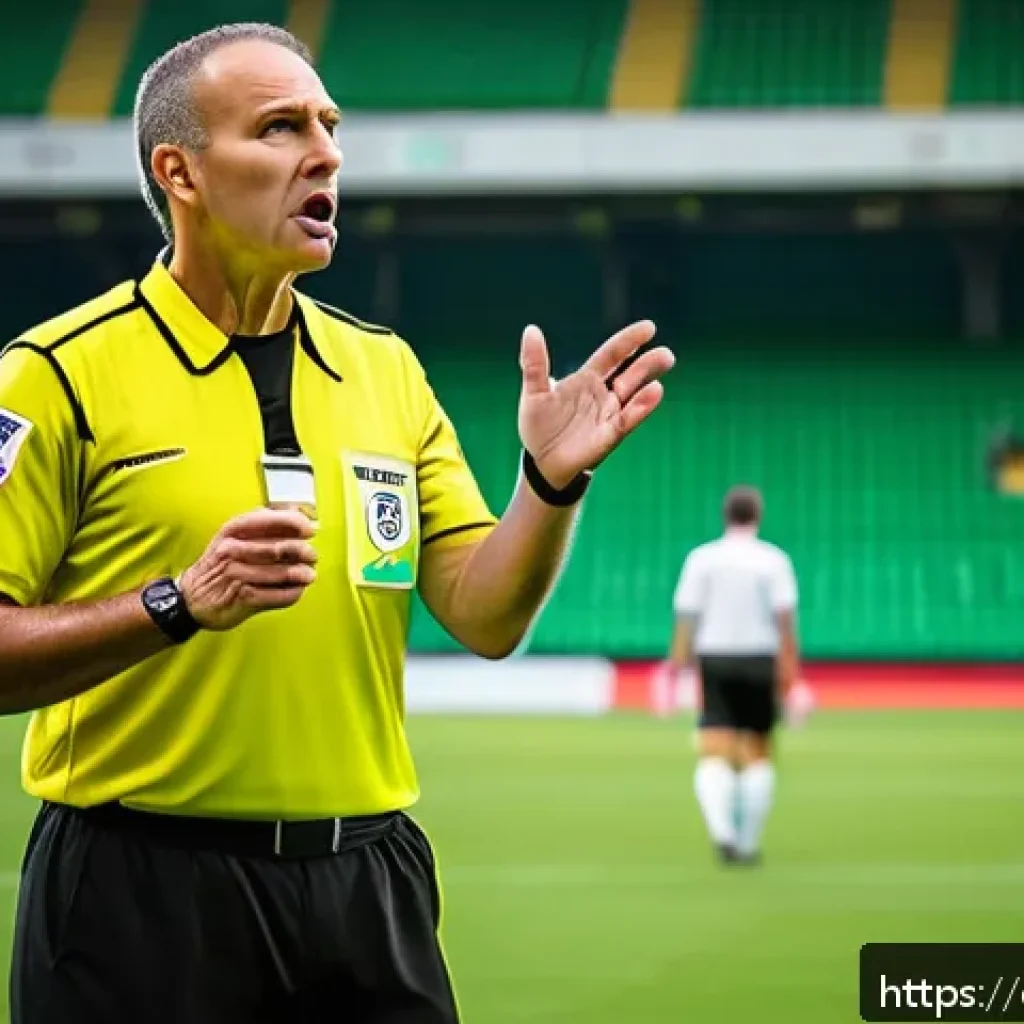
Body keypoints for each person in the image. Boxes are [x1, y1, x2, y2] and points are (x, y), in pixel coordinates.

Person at [0, 22, 675, 1024]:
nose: (326, 153)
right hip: (138, 890)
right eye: (279, 128)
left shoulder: (383, 370)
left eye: (328, 124)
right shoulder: (57, 374)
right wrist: (176, 603)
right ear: (178, 172)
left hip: (367, 881)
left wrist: (546, 484)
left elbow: (484, 615)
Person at [662, 486, 799, 866]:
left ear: (725, 515)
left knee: (714, 748)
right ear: (757, 515)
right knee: (757, 752)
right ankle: (749, 843)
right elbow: (784, 621)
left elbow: (687, 616)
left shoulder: (702, 559)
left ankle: (723, 833)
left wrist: (677, 664)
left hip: (715, 657)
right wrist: (790, 673)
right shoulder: (773, 560)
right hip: (759, 658)